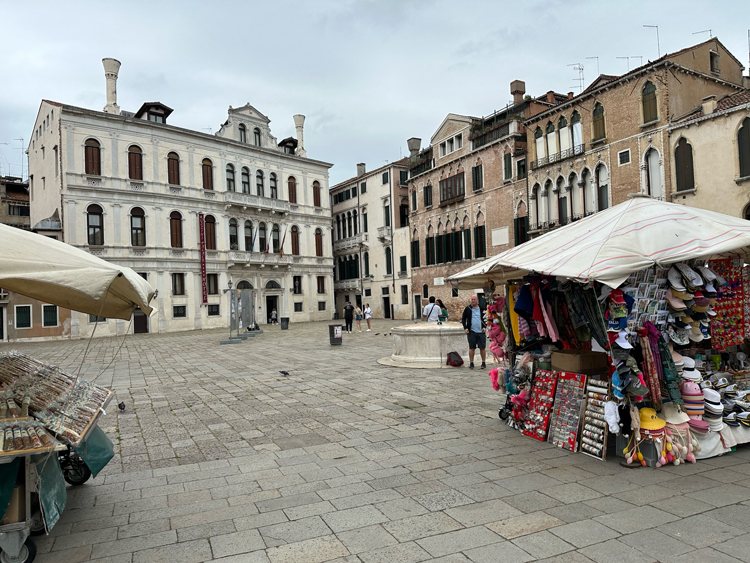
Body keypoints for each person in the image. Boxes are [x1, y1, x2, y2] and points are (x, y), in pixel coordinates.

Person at [461, 294, 486, 369]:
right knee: (472, 347)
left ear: (477, 300)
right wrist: (465, 327)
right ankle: (471, 363)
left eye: (474, 299)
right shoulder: (468, 308)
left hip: (481, 331)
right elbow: (463, 318)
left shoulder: (481, 308)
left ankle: (483, 362)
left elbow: (486, 318)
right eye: (472, 299)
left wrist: (485, 326)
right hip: (471, 331)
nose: (473, 301)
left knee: (482, 347)